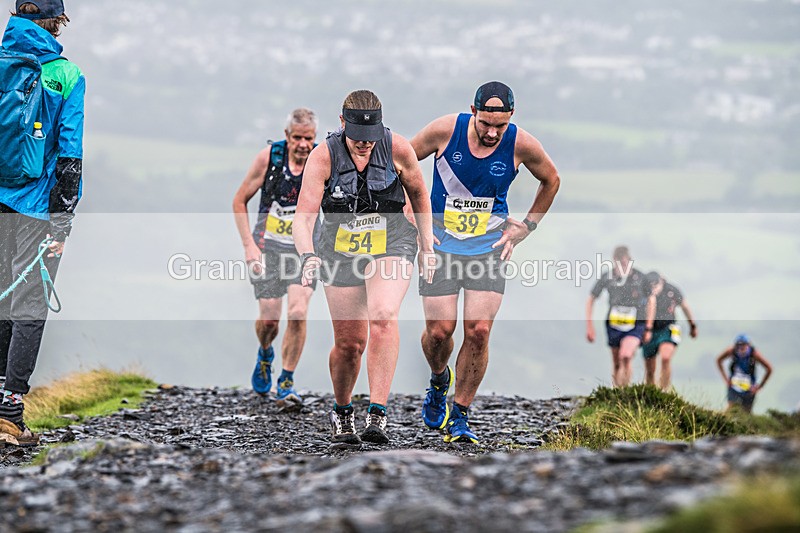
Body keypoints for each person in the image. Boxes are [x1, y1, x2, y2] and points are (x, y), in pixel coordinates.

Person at [410, 81, 560, 444]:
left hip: (489, 248)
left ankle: (460, 413)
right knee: (439, 332)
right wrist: (414, 219)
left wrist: (527, 226)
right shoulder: (446, 130)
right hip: (441, 247)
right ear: (473, 112)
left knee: (478, 330)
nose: (493, 133)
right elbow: (400, 166)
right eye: (485, 124)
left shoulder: (521, 143)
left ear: (511, 118)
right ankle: (438, 380)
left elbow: (552, 180)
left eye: (501, 126)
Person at [294, 89, 434, 446]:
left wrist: (427, 245)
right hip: (339, 251)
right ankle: (342, 413)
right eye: (357, 139)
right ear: (342, 124)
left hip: (392, 242)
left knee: (384, 315)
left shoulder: (398, 148)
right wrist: (308, 255)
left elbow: (420, 196)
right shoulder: (323, 156)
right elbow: (304, 215)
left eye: (371, 140)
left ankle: (377, 413)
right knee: (349, 344)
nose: (364, 146)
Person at [0, 0, 85, 446]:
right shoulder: (66, 75)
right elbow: (70, 155)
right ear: (56, 22)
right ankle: (10, 412)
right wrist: (63, 221)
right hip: (35, 207)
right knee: (28, 304)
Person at [233, 108, 319, 406]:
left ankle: (287, 380)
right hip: (267, 247)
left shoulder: (322, 162)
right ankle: (266, 352)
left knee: (297, 311)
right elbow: (239, 200)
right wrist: (248, 246)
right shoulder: (269, 158)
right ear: (287, 136)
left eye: (309, 138)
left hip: (304, 250)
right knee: (270, 320)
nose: (303, 145)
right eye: (297, 138)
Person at [587, 246, 655, 388]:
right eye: (619, 263)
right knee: (617, 361)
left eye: (625, 262)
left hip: (636, 323)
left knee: (626, 356)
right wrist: (589, 326)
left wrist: (649, 326)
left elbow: (651, 300)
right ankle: (617, 393)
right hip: (614, 324)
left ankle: (624, 392)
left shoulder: (640, 278)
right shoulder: (608, 277)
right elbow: (591, 299)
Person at [641, 271, 698, 390]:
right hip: (650, 331)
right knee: (650, 368)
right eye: (651, 286)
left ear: (661, 282)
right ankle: (650, 393)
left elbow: (685, 307)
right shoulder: (645, 292)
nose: (654, 288)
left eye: (655, 285)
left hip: (668, 328)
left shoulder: (672, 290)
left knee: (666, 358)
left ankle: (663, 392)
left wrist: (692, 325)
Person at [716, 334, 772, 414]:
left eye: (743, 345)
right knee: (730, 410)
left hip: (749, 389)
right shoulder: (731, 350)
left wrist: (759, 386)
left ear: (748, 345)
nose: (741, 347)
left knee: (746, 414)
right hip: (734, 386)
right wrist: (726, 379)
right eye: (739, 345)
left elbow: (769, 369)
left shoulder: (754, 354)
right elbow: (718, 360)